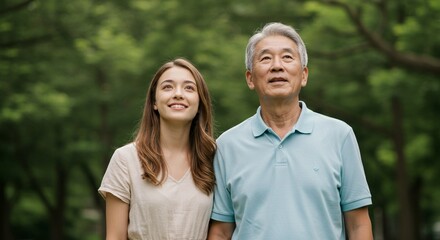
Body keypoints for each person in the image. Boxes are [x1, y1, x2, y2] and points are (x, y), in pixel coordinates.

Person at [208, 22, 373, 240]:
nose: (277, 66)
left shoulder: (339, 135)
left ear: (304, 75)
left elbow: (358, 224)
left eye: (287, 57)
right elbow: (220, 231)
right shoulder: (227, 145)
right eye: (265, 58)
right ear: (250, 78)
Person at [99, 58, 216, 239]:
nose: (178, 94)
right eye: (168, 87)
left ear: (200, 103)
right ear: (154, 102)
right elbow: (115, 237)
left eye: (189, 88)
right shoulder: (125, 159)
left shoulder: (215, 159)